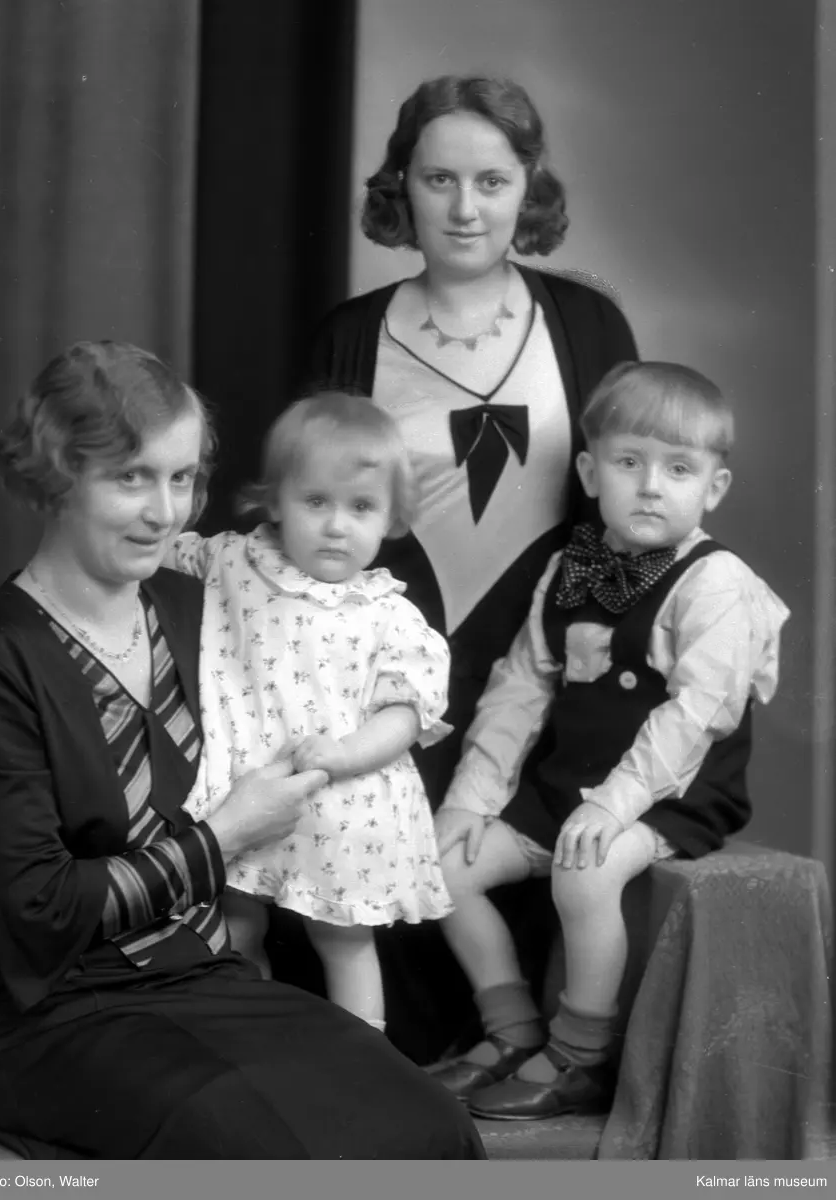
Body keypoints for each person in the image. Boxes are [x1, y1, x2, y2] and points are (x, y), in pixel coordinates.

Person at [0, 340, 485, 1160]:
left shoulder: (201, 604)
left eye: (181, 478)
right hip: (56, 1009)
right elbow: (40, 911)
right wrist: (224, 838)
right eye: (131, 477)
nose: (165, 512)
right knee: (269, 1148)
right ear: (56, 474)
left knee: (431, 1125)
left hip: (204, 976)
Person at [300, 73, 639, 1062]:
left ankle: (531, 1050)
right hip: (393, 674)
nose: (463, 208)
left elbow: (629, 514)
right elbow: (314, 525)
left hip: (548, 668)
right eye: (437, 179)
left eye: (490, 181)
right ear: (400, 186)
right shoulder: (349, 336)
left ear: (527, 187)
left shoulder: (587, 324)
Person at [428, 361, 789, 1120]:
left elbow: (696, 715)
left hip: (669, 793)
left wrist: (615, 806)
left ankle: (578, 1055)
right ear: (591, 473)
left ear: (713, 488)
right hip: (566, 785)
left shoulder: (717, 582)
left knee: (584, 874)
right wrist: (470, 800)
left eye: (678, 468)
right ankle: (511, 1029)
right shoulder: (568, 568)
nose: (651, 486)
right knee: (441, 867)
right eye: (629, 462)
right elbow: (520, 689)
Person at [166, 391, 454, 1033]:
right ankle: (252, 1043)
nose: (336, 526)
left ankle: (364, 1063)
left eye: (361, 507)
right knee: (234, 926)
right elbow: (155, 551)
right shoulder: (231, 562)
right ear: (275, 501)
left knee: (344, 944)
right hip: (245, 797)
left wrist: (346, 753)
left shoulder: (389, 614)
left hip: (342, 810)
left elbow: (406, 714)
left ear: (391, 519)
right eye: (316, 501)